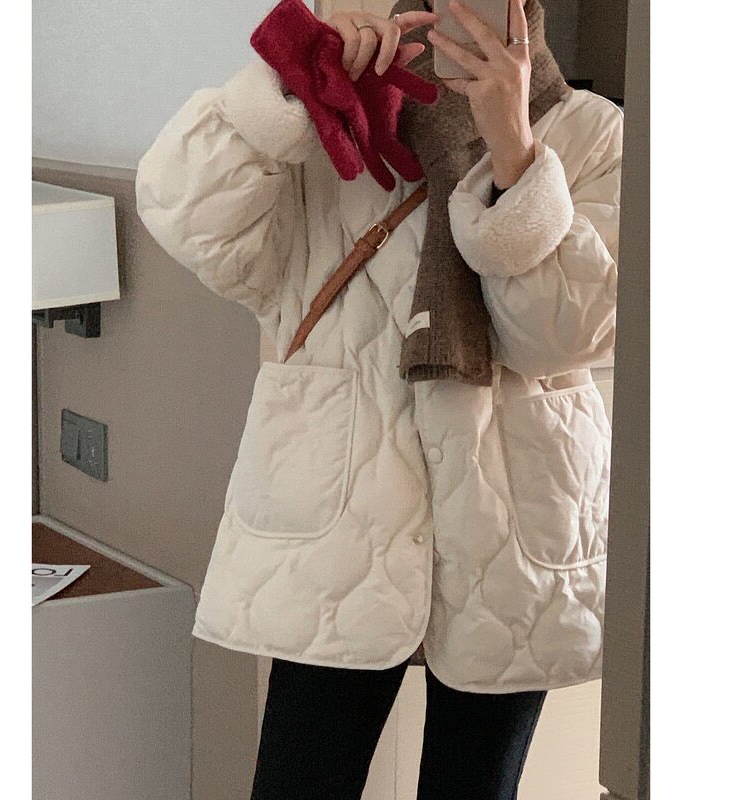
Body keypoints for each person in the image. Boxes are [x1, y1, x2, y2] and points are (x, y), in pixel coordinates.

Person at [135, 0, 622, 796]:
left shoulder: (591, 132)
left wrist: (516, 155)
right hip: (343, 510)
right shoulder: (332, 116)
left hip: (513, 514)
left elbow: (561, 338)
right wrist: (287, 92)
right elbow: (191, 225)